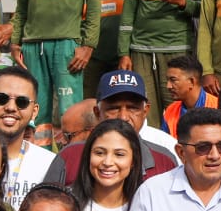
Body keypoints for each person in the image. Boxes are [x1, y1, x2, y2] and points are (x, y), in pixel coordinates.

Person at [42, 71, 178, 186]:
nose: (123, 117)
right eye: (114, 108)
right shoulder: (70, 157)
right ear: (97, 113)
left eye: (132, 108)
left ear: (145, 111)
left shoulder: (164, 160)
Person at [0, 64, 57, 210]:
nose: (11, 107)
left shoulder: (50, 164)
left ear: (34, 111)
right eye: (2, 98)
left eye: (22, 102)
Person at [70, 119, 144, 211]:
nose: (107, 162)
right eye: (99, 153)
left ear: (133, 161)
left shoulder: (144, 209)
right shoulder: (67, 204)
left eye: (119, 154)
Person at [162, 54, 216, 135]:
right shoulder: (170, 111)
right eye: (168, 80)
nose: (168, 86)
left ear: (191, 82)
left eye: (173, 80)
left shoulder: (218, 107)